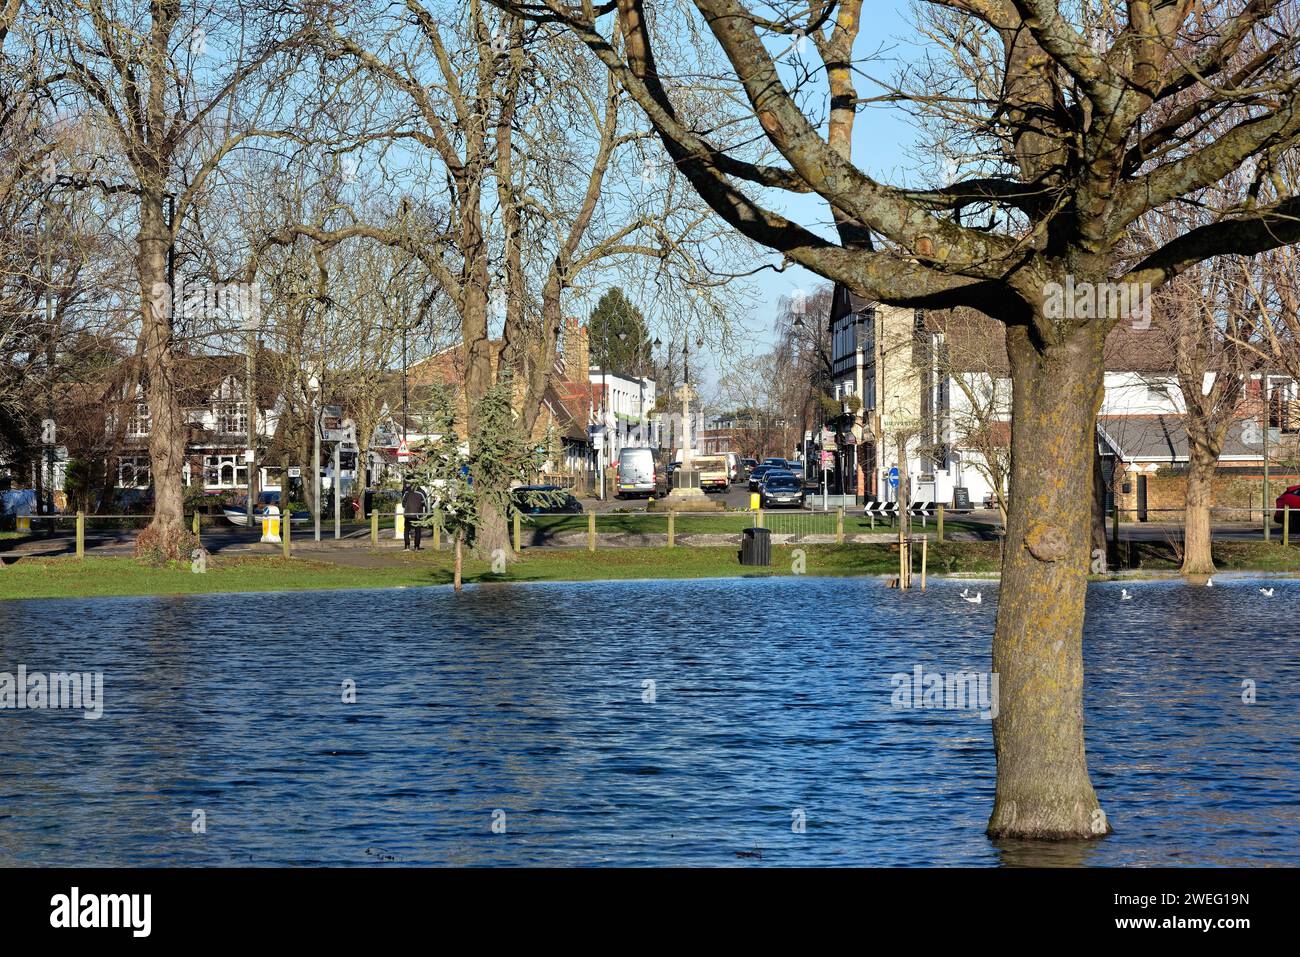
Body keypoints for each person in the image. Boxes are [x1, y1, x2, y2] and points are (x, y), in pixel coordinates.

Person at [402, 482, 427, 550]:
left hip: (408, 513)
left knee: (407, 530)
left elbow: (403, 503)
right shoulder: (421, 492)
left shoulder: (407, 491)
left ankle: (407, 546)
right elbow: (425, 503)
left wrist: (407, 507)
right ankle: (416, 546)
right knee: (417, 530)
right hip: (417, 514)